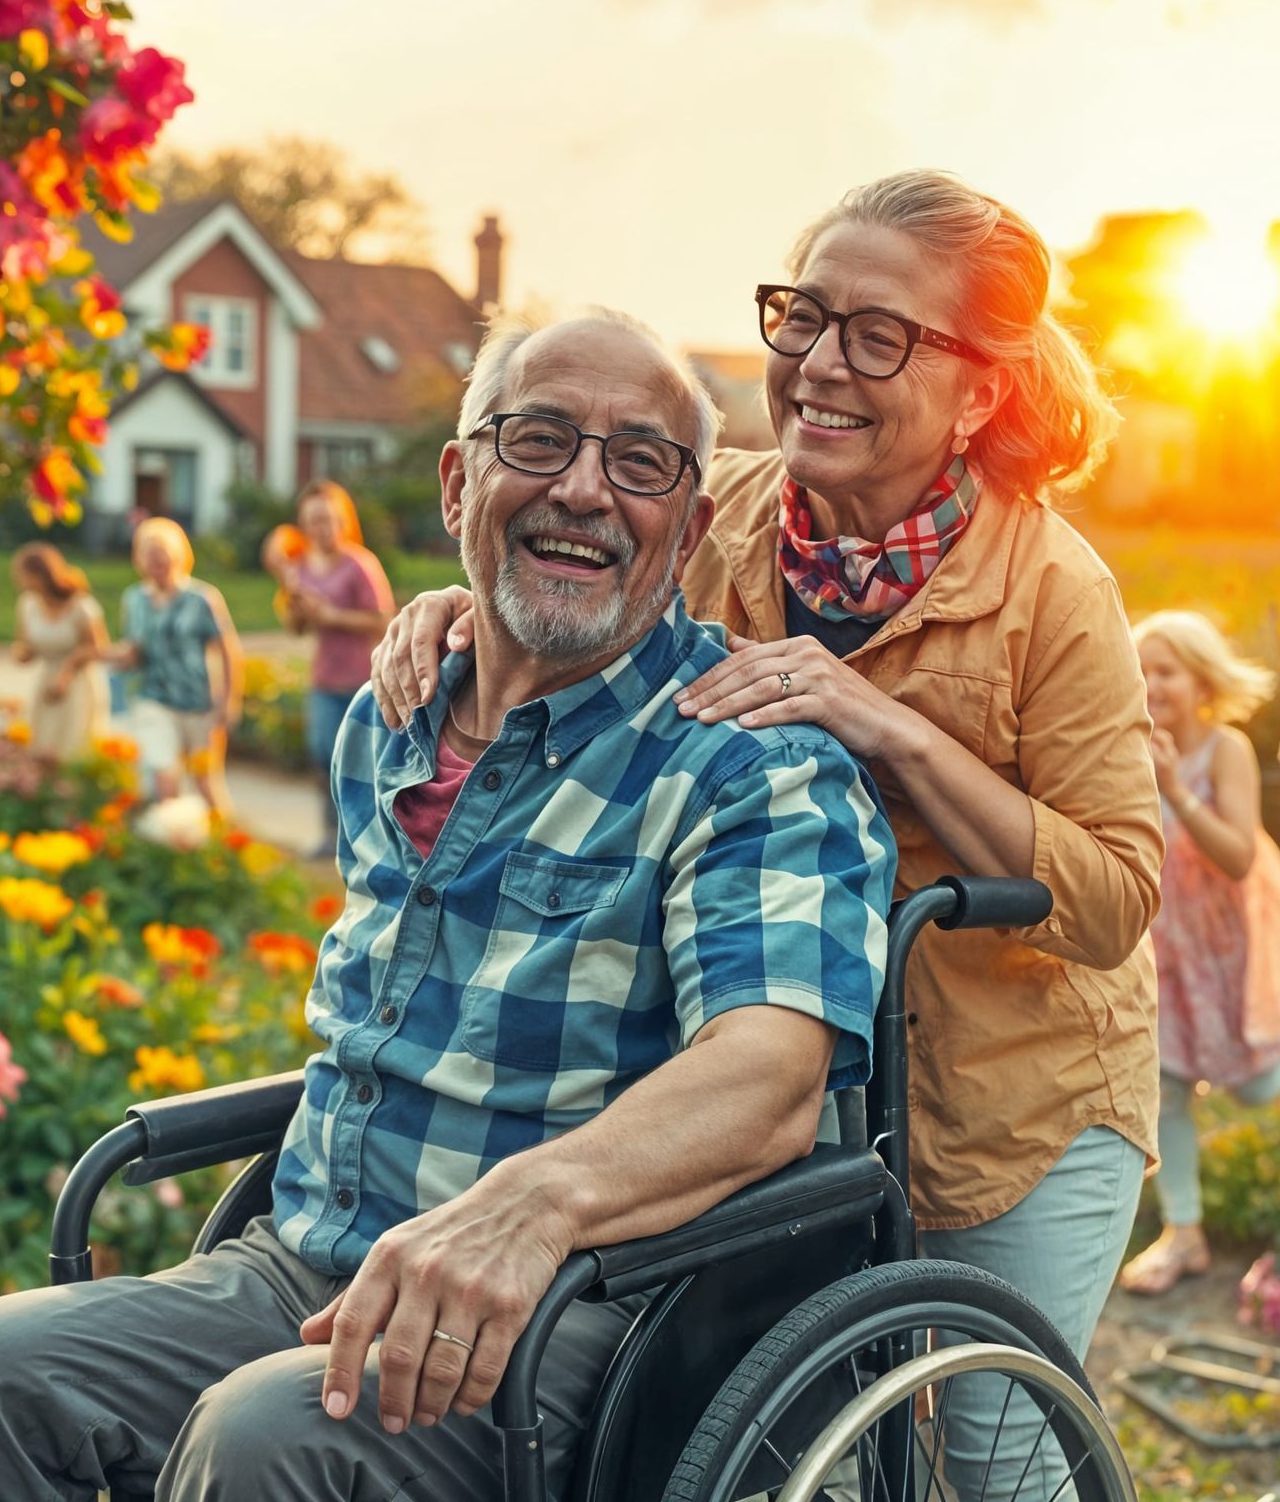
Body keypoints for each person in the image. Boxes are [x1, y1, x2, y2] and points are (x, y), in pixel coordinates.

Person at [0, 311, 895, 1502]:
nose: (585, 489)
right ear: (458, 483)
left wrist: (529, 1208)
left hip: (569, 1312)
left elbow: (768, 1080)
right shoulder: (387, 721)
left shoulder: (749, 762)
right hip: (301, 1266)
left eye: (640, 461)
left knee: (263, 1435)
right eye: (539, 439)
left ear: (688, 529)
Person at [371, 170, 1164, 1500]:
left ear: (979, 393)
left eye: (880, 334)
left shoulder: (1054, 590)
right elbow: (569, 584)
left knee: (989, 1458)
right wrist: (460, 612)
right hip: (782, 1073)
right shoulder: (712, 512)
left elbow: (1117, 896)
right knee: (786, 1444)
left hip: (1013, 1102)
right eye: (806, 316)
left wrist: (896, 732)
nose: (820, 363)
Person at [1120, 612, 1280, 1295]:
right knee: (1168, 1084)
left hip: (1230, 943)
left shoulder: (1224, 750)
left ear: (1203, 684)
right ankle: (1184, 1233)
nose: (1152, 685)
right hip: (1165, 942)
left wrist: (1176, 788)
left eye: (1167, 672)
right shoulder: (1130, 746)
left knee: (1252, 1082)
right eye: (1141, 671)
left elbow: (1237, 857)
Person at [264, 481, 395, 856]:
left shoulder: (360, 564)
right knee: (324, 758)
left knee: (364, 763)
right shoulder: (301, 568)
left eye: (327, 519)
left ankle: (369, 840)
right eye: (313, 521)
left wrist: (331, 615)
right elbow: (296, 628)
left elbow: (384, 620)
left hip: (364, 681)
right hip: (324, 679)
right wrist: (295, 601)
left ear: (342, 520)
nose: (320, 528)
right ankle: (333, 835)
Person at [107, 517, 243, 814]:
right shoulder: (134, 599)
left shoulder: (202, 598)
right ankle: (173, 835)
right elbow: (134, 648)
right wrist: (117, 656)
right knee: (164, 776)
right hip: (154, 698)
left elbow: (228, 651)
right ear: (139, 559)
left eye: (163, 553)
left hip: (198, 701)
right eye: (150, 555)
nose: (157, 561)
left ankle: (226, 837)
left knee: (205, 781)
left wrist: (228, 700)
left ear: (179, 555)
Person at [8, 543, 109, 761]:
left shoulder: (81, 606)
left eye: (23, 574)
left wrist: (67, 671)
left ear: (40, 575)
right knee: (42, 746)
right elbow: (26, 646)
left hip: (79, 682)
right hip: (47, 682)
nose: (18, 580)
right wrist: (21, 654)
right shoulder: (27, 605)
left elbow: (99, 648)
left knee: (75, 748)